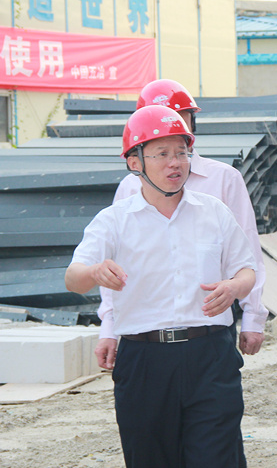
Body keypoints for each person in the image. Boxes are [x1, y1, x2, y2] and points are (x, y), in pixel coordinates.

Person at [66, 105, 256, 468]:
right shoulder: (114, 221)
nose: (175, 163)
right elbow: (73, 278)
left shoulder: (213, 211)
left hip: (210, 357)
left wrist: (234, 287)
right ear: (134, 162)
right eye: (162, 154)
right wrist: (95, 272)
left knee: (217, 458)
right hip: (145, 361)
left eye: (182, 153)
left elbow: (247, 270)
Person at [95, 79, 268, 371]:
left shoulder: (223, 179)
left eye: (178, 115)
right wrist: (109, 327)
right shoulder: (130, 187)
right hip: (146, 332)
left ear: (192, 122)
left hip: (209, 325)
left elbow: (248, 253)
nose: (167, 123)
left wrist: (253, 316)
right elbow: (113, 263)